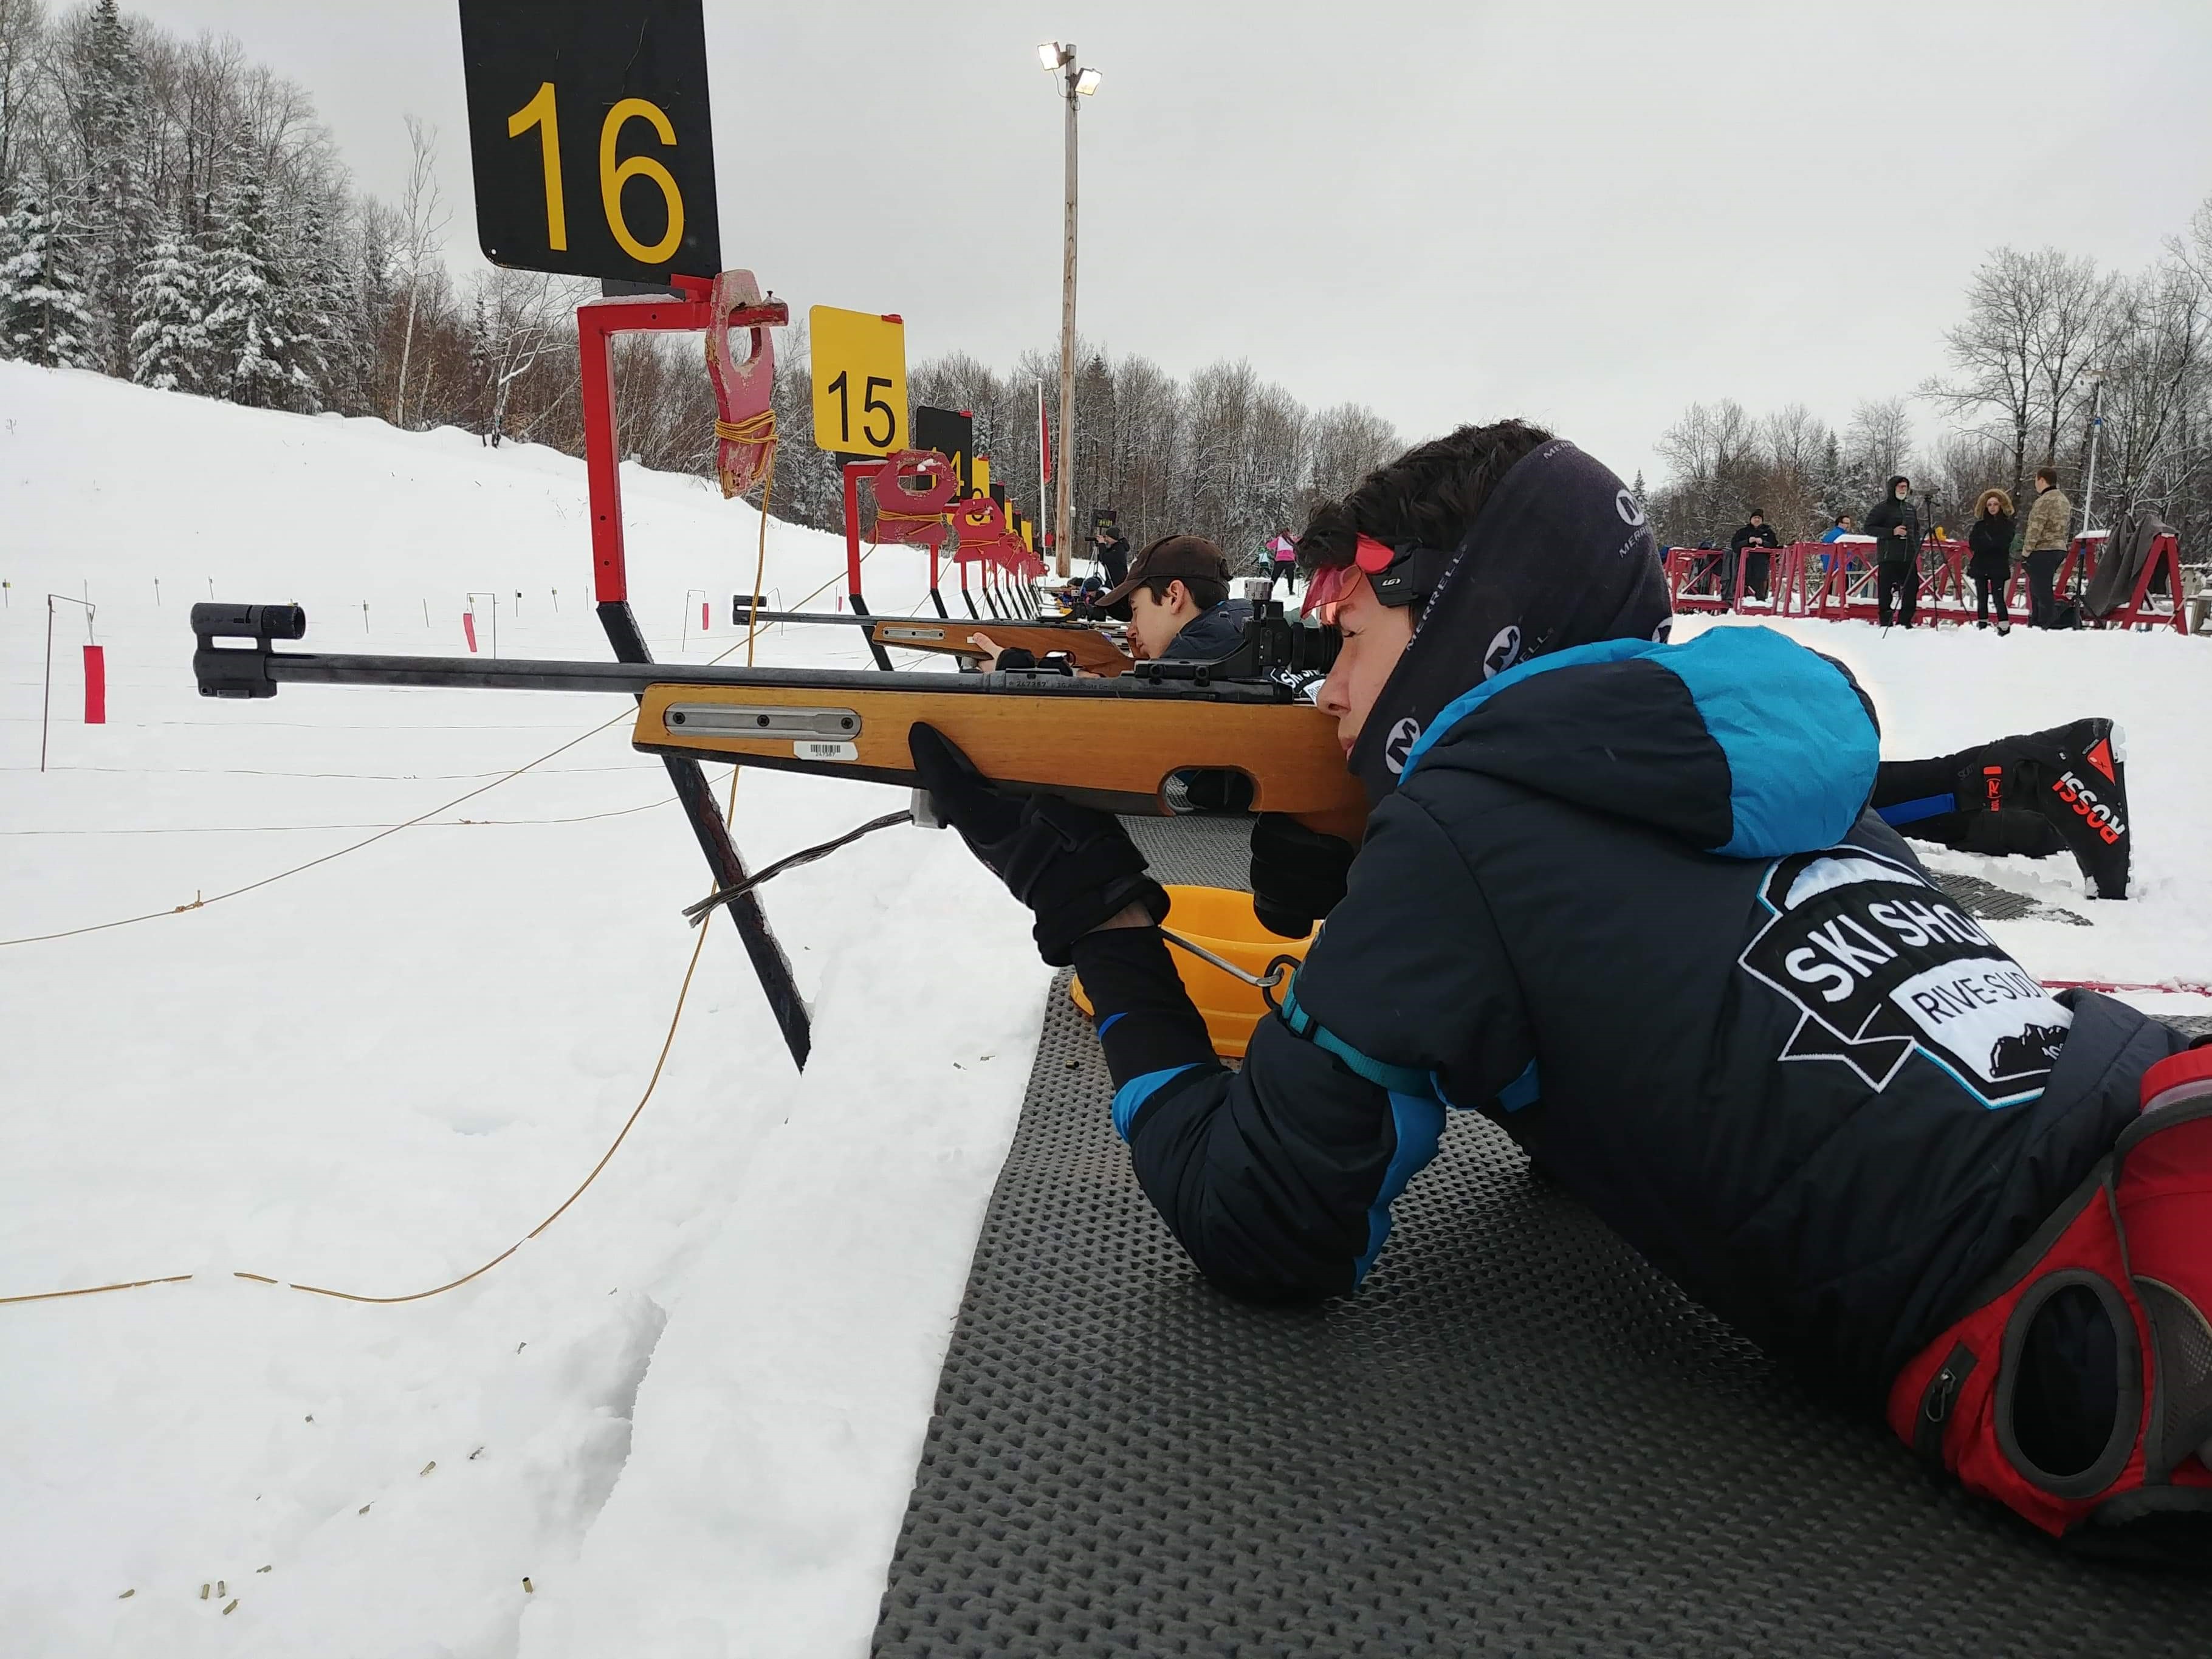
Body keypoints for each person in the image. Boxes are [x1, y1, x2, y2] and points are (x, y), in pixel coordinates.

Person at [910, 419, 2205, 1558]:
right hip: (2142, 1108)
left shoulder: (1466, 828)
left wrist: (1102, 917)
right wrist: (1388, 889)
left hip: (2096, 1317)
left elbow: (1252, 1217)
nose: (1331, 692)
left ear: (1467, 623)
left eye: (1350, 639)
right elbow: (1646, 1013)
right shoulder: (1759, 756)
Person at [969, 534, 1251, 671]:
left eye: (1136, 611)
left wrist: (1013, 668)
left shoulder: (1195, 659)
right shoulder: (1231, 643)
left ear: (1174, 597)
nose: (1131, 631)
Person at [1861, 475, 1922, 627]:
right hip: (1889, 556)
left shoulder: (1910, 509)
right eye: (1900, 487)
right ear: (1892, 489)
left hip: (1908, 556)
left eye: (1905, 487)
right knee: (1885, 590)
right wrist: (1892, 532)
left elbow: (1916, 530)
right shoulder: (1882, 508)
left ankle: (1905, 620)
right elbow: (1869, 528)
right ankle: (1886, 620)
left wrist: (1916, 547)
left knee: (1912, 587)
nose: (1903, 490)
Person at [2021, 465, 2073, 628]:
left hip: (2043, 549)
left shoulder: (2043, 501)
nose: (2035, 484)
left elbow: (2035, 528)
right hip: (2059, 548)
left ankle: (2046, 622)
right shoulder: (2064, 500)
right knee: (2040, 585)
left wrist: (2026, 552)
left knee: (2040, 589)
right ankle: (2040, 620)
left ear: (2042, 480)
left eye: (2036, 480)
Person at [1966, 490, 2015, 634]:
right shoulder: (1979, 525)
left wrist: (1986, 543)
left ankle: (2004, 625)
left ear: (2001, 505)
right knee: (1982, 597)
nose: (1992, 507)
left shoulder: (2007, 524)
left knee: (1998, 596)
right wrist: (1990, 543)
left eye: (1995, 504)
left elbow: (2004, 542)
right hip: (1981, 565)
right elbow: (1973, 543)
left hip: (1998, 565)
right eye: (1989, 505)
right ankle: (1982, 624)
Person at [1729, 509, 1780, 603]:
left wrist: (1763, 543)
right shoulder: (1743, 532)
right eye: (1755, 518)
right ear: (1751, 519)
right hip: (1745, 565)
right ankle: (1741, 603)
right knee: (1743, 587)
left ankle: (1761, 604)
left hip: (1762, 566)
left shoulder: (1769, 532)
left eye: (1759, 518)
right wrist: (1747, 542)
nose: (1757, 520)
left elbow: (1774, 546)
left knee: (1760, 589)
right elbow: (1735, 546)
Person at [1092, 521, 1132, 589]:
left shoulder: (1119, 549)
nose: (1106, 539)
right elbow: (1104, 560)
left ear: (1114, 538)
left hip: (1116, 584)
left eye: (1108, 537)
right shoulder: (1115, 547)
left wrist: (1102, 544)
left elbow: (1105, 558)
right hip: (1113, 581)